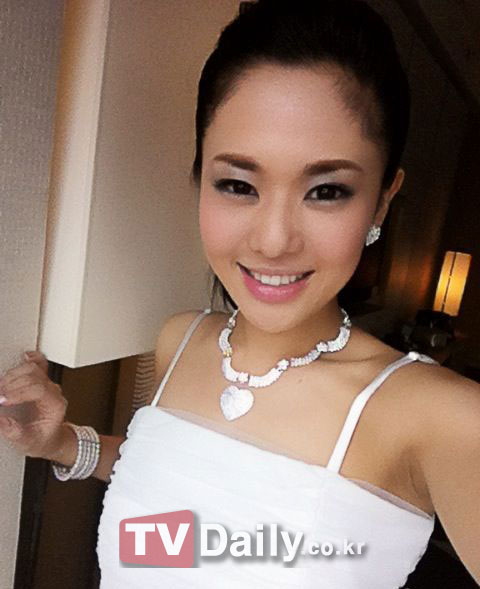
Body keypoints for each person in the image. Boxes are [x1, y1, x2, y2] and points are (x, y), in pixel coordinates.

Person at [0, 0, 479, 587]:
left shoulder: (440, 416)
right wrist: (61, 443)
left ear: (382, 200)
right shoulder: (181, 339)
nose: (273, 240)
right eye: (237, 184)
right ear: (199, 177)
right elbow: (183, 506)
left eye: (327, 191)